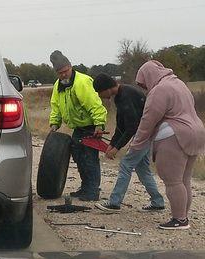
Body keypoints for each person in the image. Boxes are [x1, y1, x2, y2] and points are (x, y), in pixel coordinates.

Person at [130, 60, 205, 230]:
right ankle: (182, 216)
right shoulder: (179, 83)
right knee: (184, 179)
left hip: (174, 135)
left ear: (148, 76)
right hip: (197, 132)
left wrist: (136, 144)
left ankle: (179, 220)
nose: (144, 88)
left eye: (143, 83)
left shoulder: (159, 90)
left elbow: (148, 119)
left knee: (172, 180)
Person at [92, 73, 164, 213]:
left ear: (106, 88)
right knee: (142, 169)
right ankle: (157, 202)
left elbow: (132, 127)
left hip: (144, 133)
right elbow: (121, 126)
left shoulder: (127, 95)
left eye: (99, 92)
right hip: (143, 133)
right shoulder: (119, 97)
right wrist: (111, 145)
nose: (99, 96)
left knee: (126, 164)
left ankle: (114, 202)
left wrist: (117, 148)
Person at [49, 50, 107, 201]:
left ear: (70, 67)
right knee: (79, 158)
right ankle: (85, 187)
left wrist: (99, 124)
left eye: (65, 71)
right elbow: (56, 106)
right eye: (60, 73)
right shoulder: (58, 86)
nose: (63, 75)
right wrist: (55, 123)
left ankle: (93, 191)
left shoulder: (82, 82)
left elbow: (94, 104)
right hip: (78, 128)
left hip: (90, 127)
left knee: (90, 159)